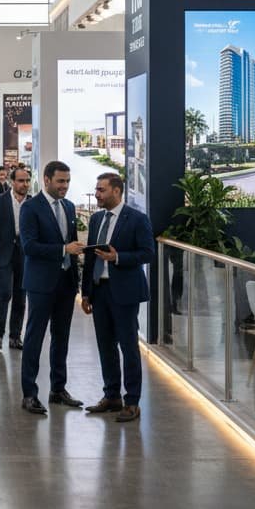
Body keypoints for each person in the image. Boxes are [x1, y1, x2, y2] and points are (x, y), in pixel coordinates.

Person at [81, 173, 155, 423]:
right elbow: (90, 257)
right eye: (96, 189)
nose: (97, 194)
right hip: (99, 291)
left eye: (101, 190)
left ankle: (132, 401)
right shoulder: (96, 219)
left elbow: (147, 253)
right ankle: (111, 395)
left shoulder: (137, 219)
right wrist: (86, 292)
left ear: (116, 191)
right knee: (105, 345)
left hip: (124, 292)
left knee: (128, 346)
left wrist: (118, 257)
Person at [18, 160, 84, 415]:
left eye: (67, 182)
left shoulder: (68, 207)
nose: (64, 186)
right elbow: (29, 246)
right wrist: (63, 249)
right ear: (46, 180)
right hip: (41, 284)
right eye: (60, 181)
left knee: (61, 337)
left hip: (66, 283)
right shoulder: (30, 208)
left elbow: (72, 243)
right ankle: (29, 393)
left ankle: (58, 389)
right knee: (34, 337)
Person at [0, 167, 30, 350]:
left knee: (20, 296)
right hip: (3, 254)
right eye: (21, 181)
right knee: (4, 292)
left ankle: (15, 337)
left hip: (25, 255)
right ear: (12, 182)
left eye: (27, 181)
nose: (25, 184)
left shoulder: (32, 203)